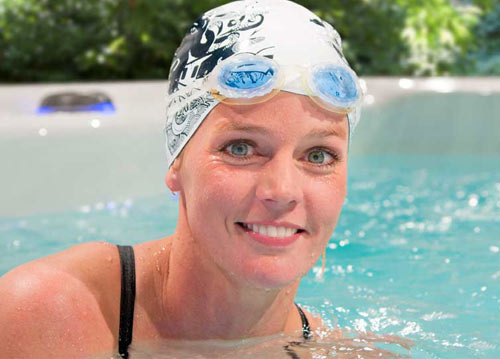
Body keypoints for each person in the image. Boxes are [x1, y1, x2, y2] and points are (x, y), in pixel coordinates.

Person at [0, 0, 372, 357]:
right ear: (176, 160)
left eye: (319, 156)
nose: (283, 191)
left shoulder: (345, 354)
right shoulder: (45, 315)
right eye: (241, 148)